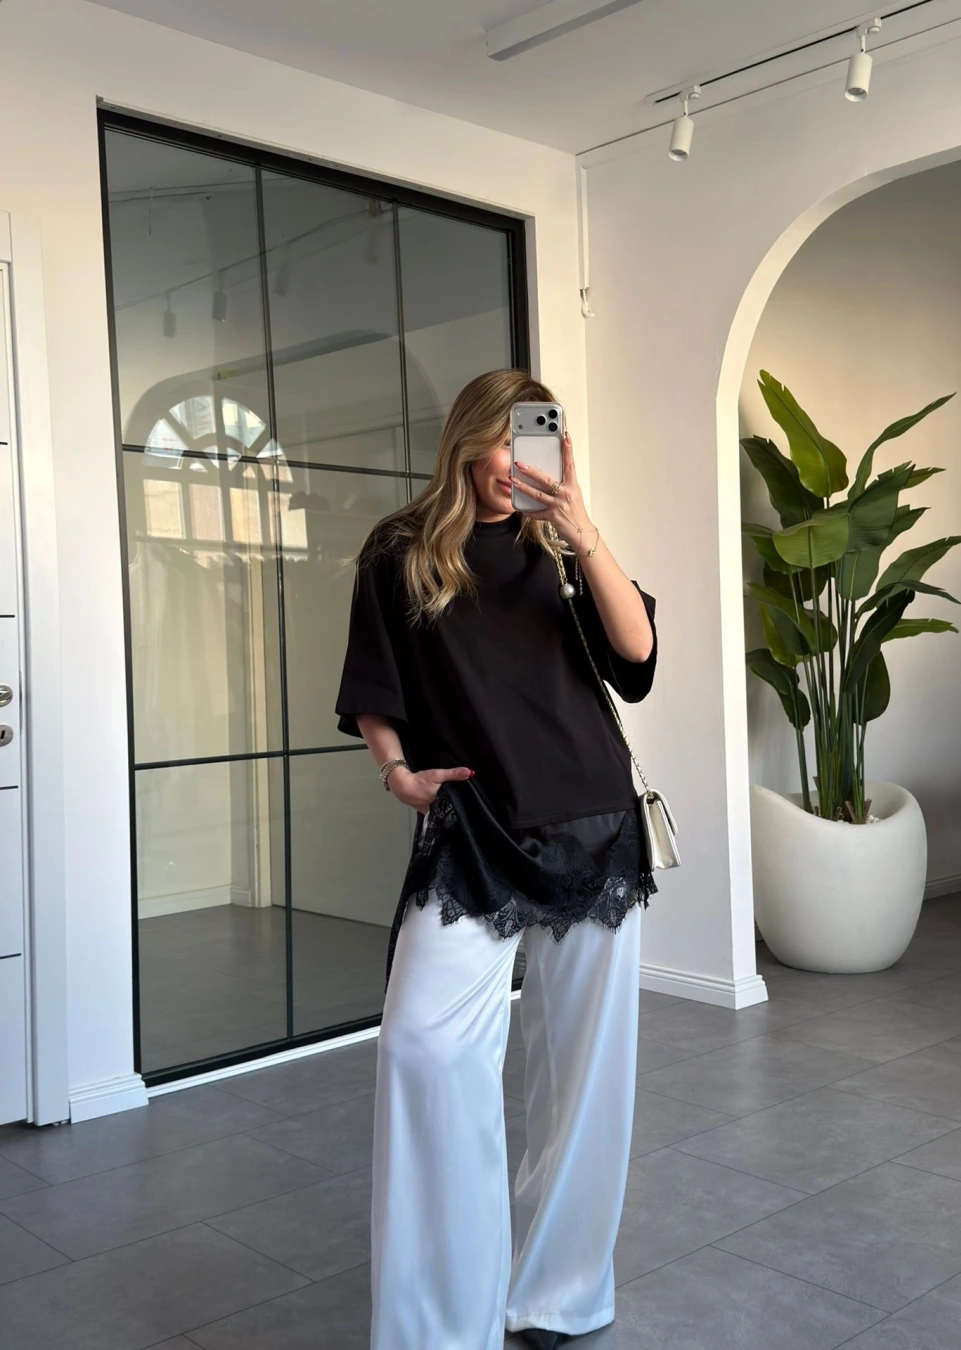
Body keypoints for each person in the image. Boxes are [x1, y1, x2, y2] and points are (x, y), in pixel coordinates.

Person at [335, 368, 659, 1350]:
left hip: (593, 823)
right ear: (468, 441)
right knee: (422, 1049)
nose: (518, 464)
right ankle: (442, 1326)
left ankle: (562, 1296)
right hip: (474, 827)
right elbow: (374, 687)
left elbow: (637, 656)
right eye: (505, 442)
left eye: (535, 442)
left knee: (584, 1079)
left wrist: (581, 528)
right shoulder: (399, 551)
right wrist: (396, 773)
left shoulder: (557, 548)